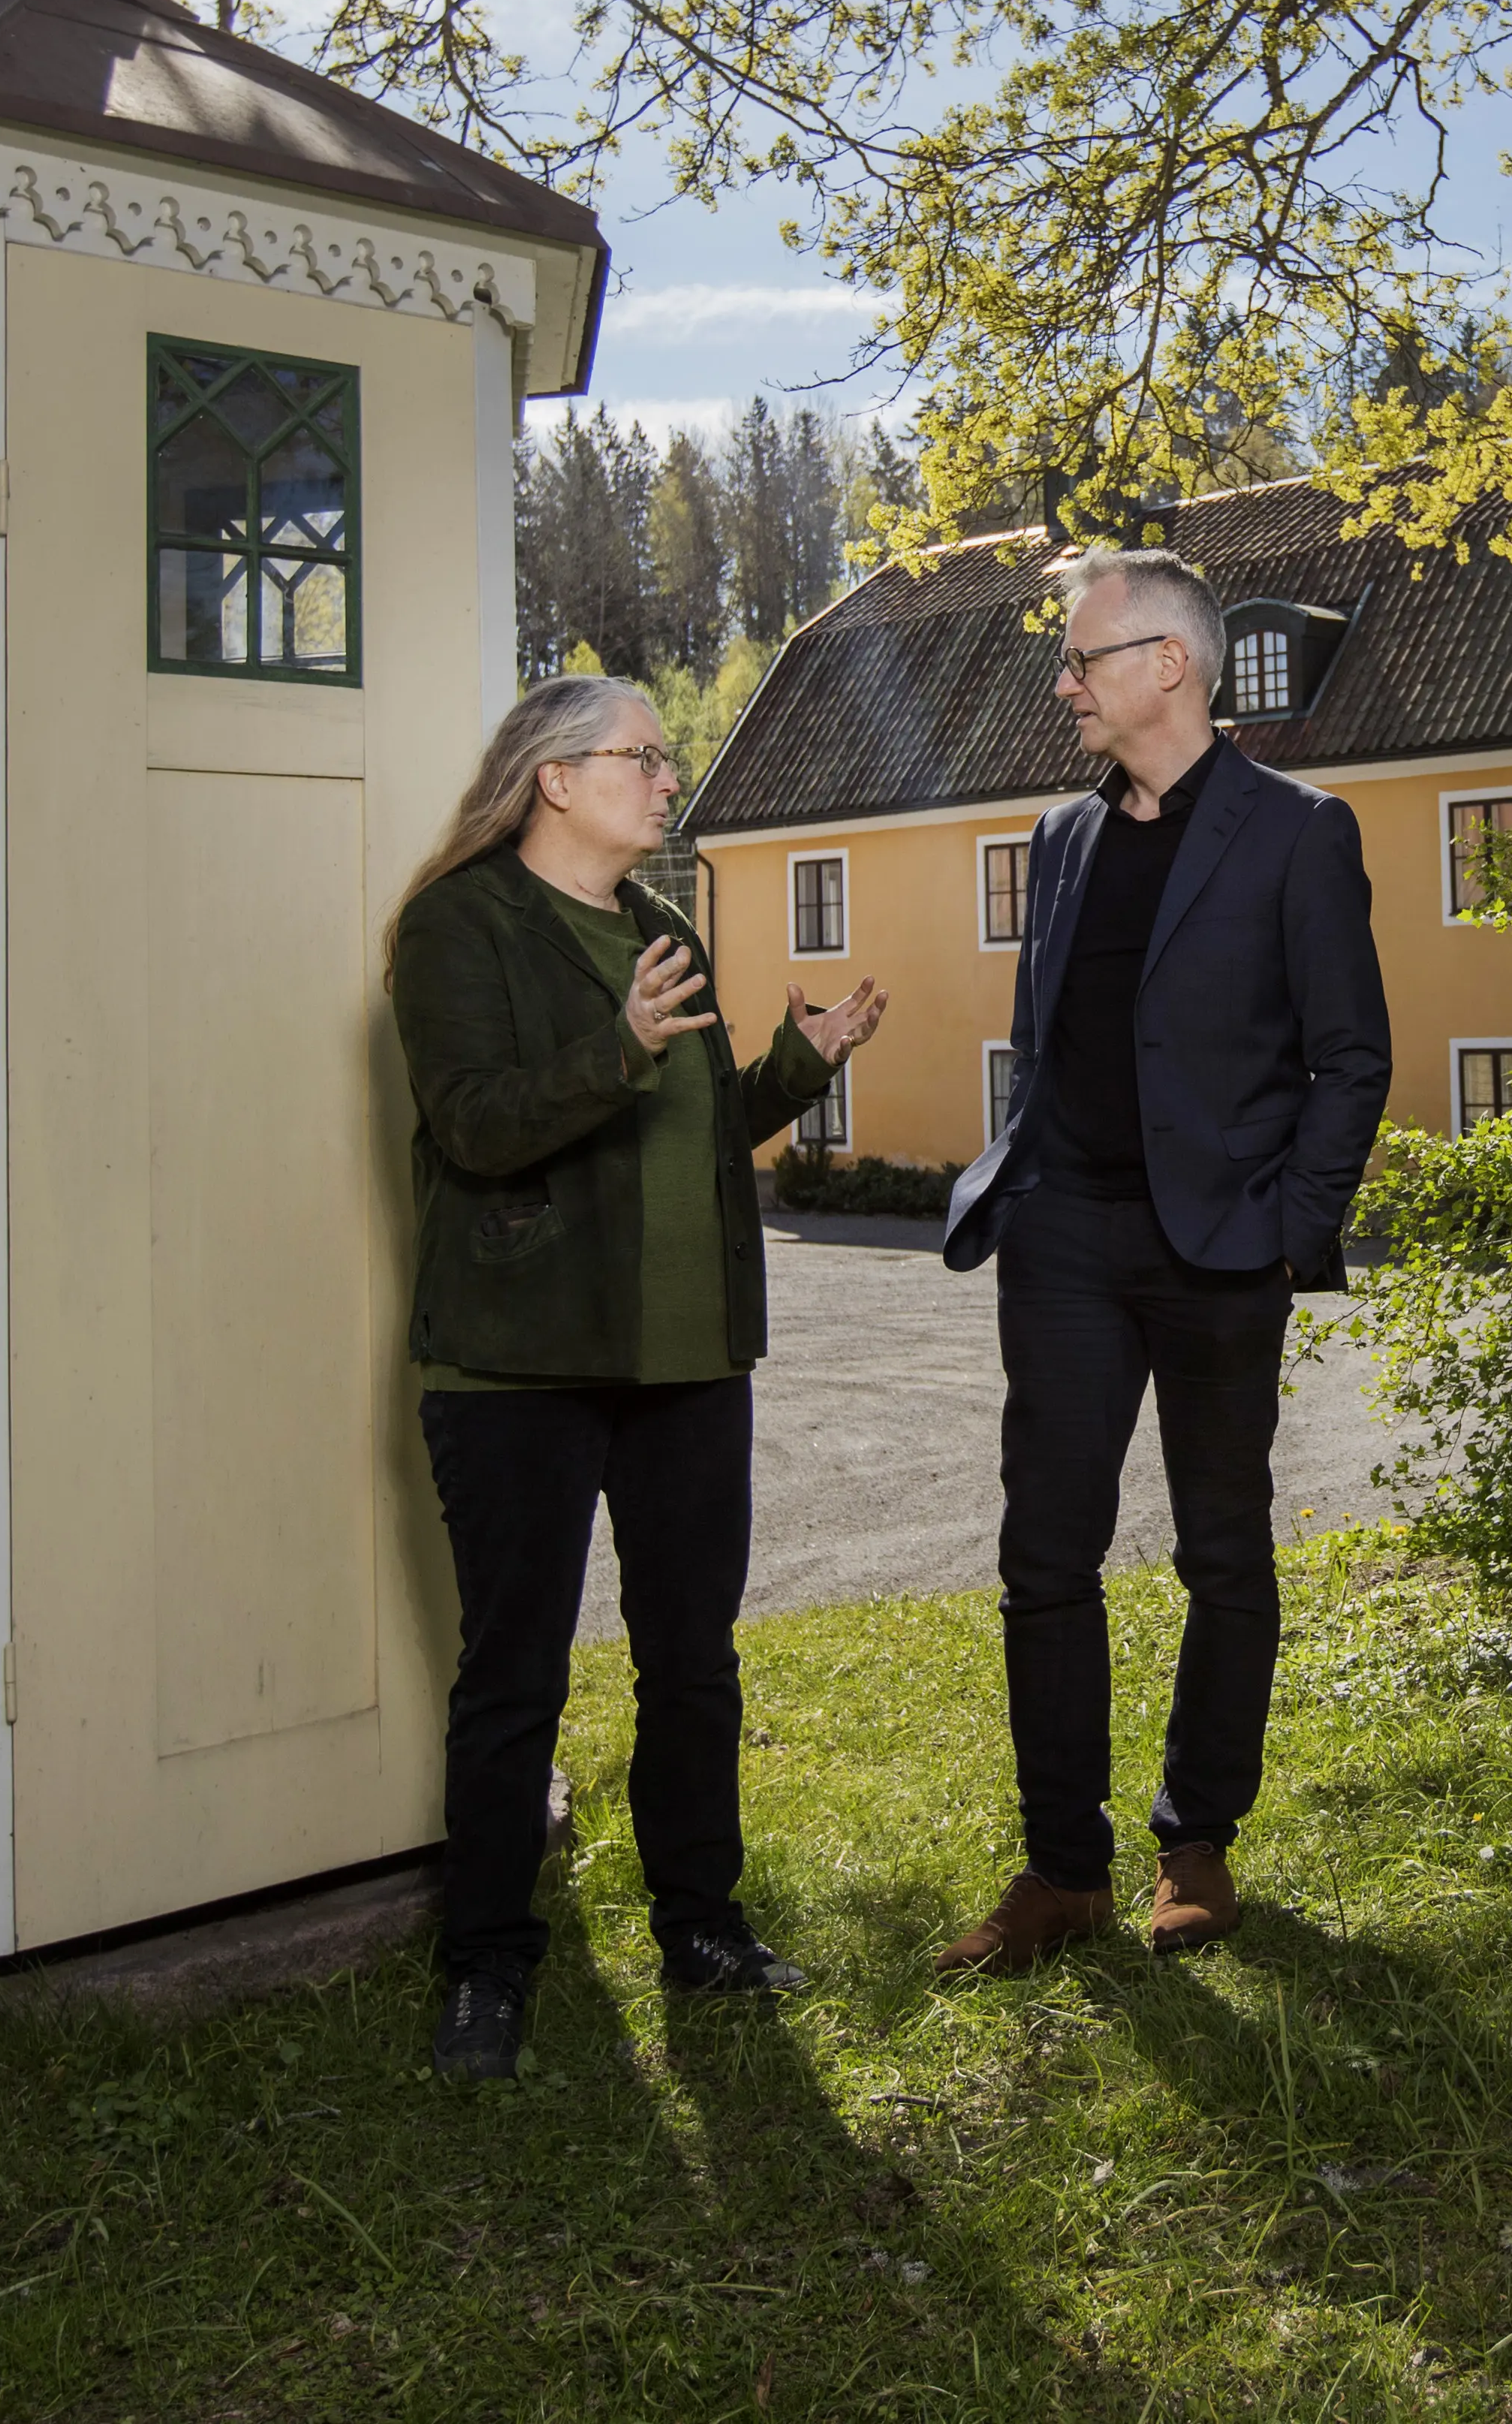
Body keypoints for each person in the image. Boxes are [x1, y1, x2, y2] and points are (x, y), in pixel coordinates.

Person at [387, 673, 887, 2080]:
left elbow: (695, 1129)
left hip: (686, 1361)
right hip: (519, 1368)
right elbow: (475, 1124)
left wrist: (796, 1066)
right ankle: (487, 1966)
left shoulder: (664, 928)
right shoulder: (459, 924)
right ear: (556, 777)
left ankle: (704, 1927)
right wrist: (615, 1047)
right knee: (512, 1677)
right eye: (647, 759)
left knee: (693, 1662)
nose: (672, 782)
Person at [932, 548, 1395, 1974]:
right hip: (1063, 1239)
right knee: (1043, 1555)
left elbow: (1351, 1059)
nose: (1065, 683)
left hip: (1216, 1249)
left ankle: (1196, 1844)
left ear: (1168, 667)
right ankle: (1063, 1867)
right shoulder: (1061, 837)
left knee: (1223, 1549)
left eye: (1084, 659)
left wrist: (1280, 1228)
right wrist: (1025, 1181)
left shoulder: (1298, 832)